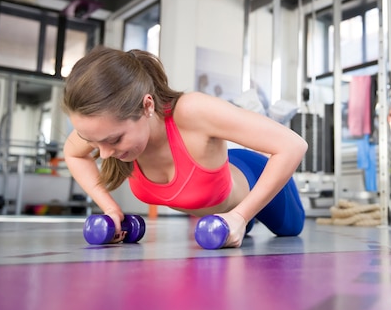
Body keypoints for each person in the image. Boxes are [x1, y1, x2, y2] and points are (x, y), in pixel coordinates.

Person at [62, 46, 307, 248]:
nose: (103, 154)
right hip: (220, 207)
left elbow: (293, 145)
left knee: (290, 230)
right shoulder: (102, 128)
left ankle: (248, 209)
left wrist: (240, 216)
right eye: (93, 142)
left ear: (147, 106)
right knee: (240, 229)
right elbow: (73, 154)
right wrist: (110, 208)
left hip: (254, 174)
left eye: (114, 140)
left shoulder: (192, 111)